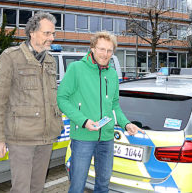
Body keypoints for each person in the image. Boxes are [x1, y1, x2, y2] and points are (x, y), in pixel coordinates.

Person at [57, 31, 144, 193]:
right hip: (83, 136)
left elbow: (115, 105)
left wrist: (126, 124)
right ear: (92, 49)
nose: (105, 54)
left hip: (106, 138)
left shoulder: (112, 74)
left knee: (103, 185)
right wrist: (83, 121)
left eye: (109, 50)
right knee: (77, 186)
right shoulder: (76, 68)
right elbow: (61, 98)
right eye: (101, 49)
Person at [0, 12, 63, 193]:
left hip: (46, 138)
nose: (51, 38)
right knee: (21, 189)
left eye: (53, 34)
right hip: (21, 139)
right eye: (47, 33)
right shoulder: (11, 57)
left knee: (37, 188)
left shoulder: (50, 60)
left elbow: (52, 97)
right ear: (32, 32)